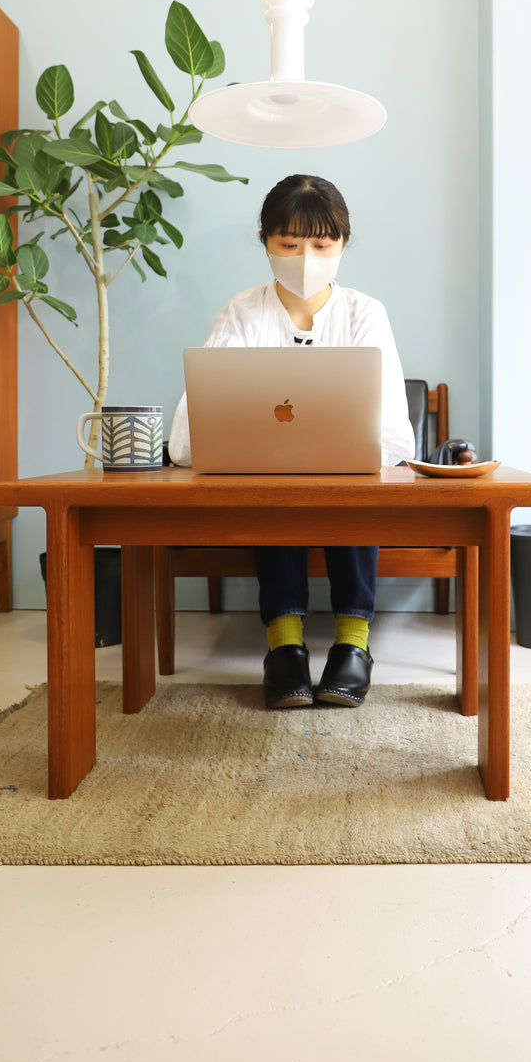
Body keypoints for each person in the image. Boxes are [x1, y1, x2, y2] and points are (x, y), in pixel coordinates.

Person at [169, 174, 416, 709]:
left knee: (353, 479)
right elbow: (193, 426)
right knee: (274, 483)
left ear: (343, 245)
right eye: (290, 244)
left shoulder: (364, 313)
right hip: (264, 479)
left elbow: (395, 431)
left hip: (348, 481)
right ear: (265, 242)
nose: (307, 257)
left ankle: (353, 644)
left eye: (323, 245)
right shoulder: (242, 311)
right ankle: (285, 648)